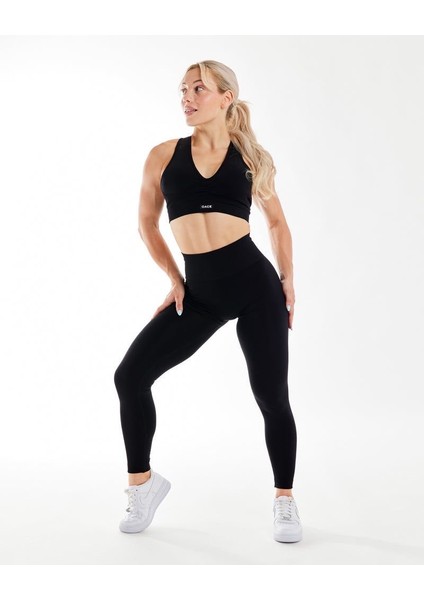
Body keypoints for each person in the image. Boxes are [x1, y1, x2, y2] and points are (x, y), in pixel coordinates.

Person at [114, 60, 303, 543]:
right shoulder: (163, 155)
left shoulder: (250, 156)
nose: (187, 97)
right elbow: (146, 224)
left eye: (199, 89)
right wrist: (174, 278)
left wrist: (287, 280)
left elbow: (276, 222)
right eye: (183, 89)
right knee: (130, 376)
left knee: (271, 396)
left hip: (255, 288)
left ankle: (285, 499)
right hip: (199, 294)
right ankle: (142, 484)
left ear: (225, 98)